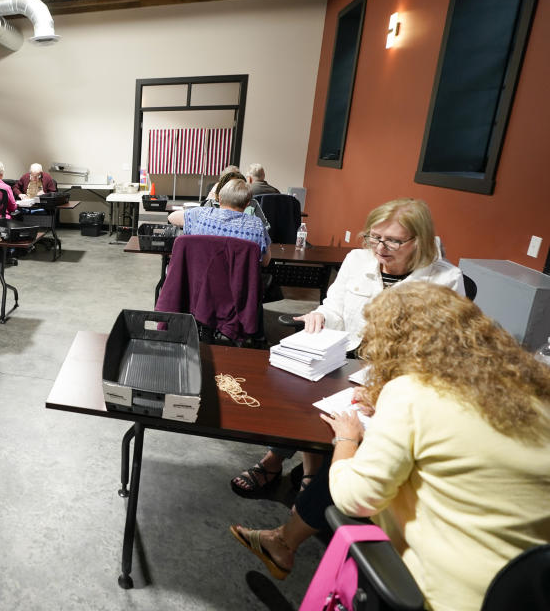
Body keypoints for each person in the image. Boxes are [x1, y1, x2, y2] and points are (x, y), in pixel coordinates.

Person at [233, 283, 550, 605]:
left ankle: (284, 541)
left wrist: (346, 438)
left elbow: (355, 499)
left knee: (348, 465)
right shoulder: (531, 391)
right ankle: (283, 540)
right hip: (527, 589)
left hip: (438, 592)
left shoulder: (412, 392)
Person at [230, 198, 465, 498]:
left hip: (400, 371)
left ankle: (302, 471)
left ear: (420, 241)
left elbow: (444, 347)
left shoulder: (445, 278)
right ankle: (288, 463)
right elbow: (335, 309)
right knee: (302, 394)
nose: (380, 249)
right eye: (374, 238)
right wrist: (320, 316)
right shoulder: (357, 260)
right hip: (347, 354)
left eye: (393, 241)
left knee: (350, 412)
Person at [168, 179, 271, 266]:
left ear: (219, 199)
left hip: (200, 284)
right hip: (239, 287)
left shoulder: (200, 215)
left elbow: (171, 217)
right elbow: (265, 261)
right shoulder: (257, 226)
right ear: (247, 204)